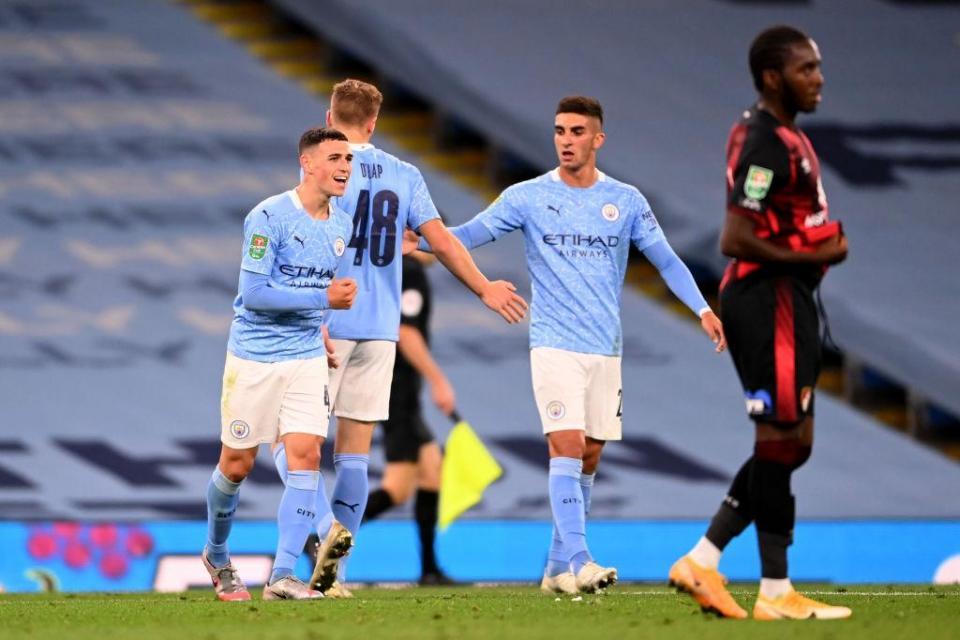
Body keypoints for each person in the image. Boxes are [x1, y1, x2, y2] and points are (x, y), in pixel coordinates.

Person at [414, 96, 725, 594]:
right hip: (553, 344)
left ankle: (556, 569)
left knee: (591, 454)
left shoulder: (625, 201)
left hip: (605, 347)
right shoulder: (528, 196)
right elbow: (469, 234)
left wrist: (703, 309)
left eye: (577, 132)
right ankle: (581, 560)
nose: (566, 140)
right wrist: (422, 238)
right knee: (567, 445)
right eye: (560, 130)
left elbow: (666, 259)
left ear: (598, 139)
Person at [272, 79, 527, 598]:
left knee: (285, 440)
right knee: (354, 455)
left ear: (329, 117)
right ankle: (337, 577)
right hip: (380, 330)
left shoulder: (325, 168)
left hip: (327, 323)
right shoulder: (405, 175)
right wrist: (484, 287)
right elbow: (442, 242)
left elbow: (303, 241)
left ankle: (325, 528)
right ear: (373, 123)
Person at [668, 25, 851, 620]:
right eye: (806, 69)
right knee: (778, 438)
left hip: (789, 299)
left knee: (795, 443)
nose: (818, 79)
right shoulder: (765, 142)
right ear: (773, 77)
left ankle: (704, 559)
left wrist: (814, 249)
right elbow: (735, 236)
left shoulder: (784, 136)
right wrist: (814, 253)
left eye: (817, 67)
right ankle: (775, 590)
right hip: (767, 300)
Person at [201, 127, 357, 601]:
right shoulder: (268, 217)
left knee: (306, 455)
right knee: (237, 464)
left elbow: (310, 292)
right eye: (335, 158)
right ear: (307, 163)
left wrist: (321, 327)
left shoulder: (341, 225)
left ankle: (283, 576)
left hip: (305, 355)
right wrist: (323, 299)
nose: (345, 167)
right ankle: (217, 553)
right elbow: (255, 294)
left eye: (349, 159)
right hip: (255, 357)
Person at [362, 251, 453, 586]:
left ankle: (430, 569)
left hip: (396, 387)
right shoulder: (411, 271)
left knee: (431, 470)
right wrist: (438, 380)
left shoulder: (391, 268)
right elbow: (407, 332)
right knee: (398, 487)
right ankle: (323, 536)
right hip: (397, 390)